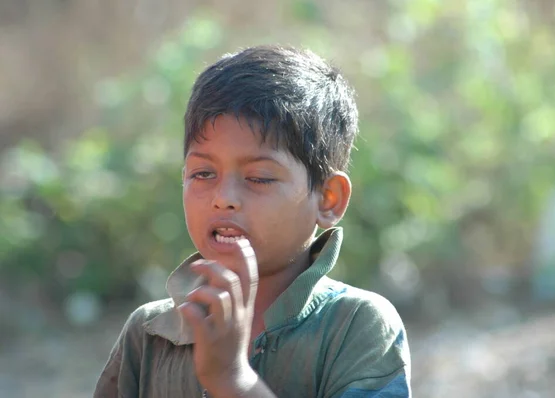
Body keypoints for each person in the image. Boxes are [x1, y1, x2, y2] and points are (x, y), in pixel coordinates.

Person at [94, 45, 411, 398]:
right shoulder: (149, 333)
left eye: (258, 178)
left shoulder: (356, 326)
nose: (223, 197)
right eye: (203, 173)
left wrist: (233, 380)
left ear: (328, 198)